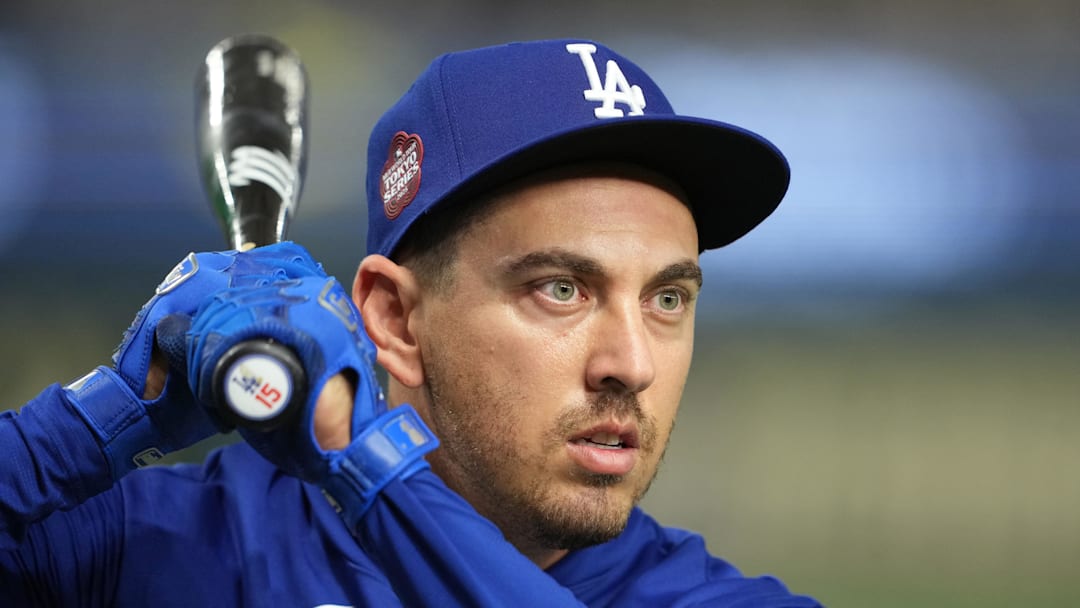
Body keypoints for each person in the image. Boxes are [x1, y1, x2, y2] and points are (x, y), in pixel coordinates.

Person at [0, 39, 822, 606]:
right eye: (562, 289)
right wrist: (91, 424)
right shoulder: (148, 549)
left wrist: (364, 457)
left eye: (666, 299)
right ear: (394, 319)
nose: (631, 363)